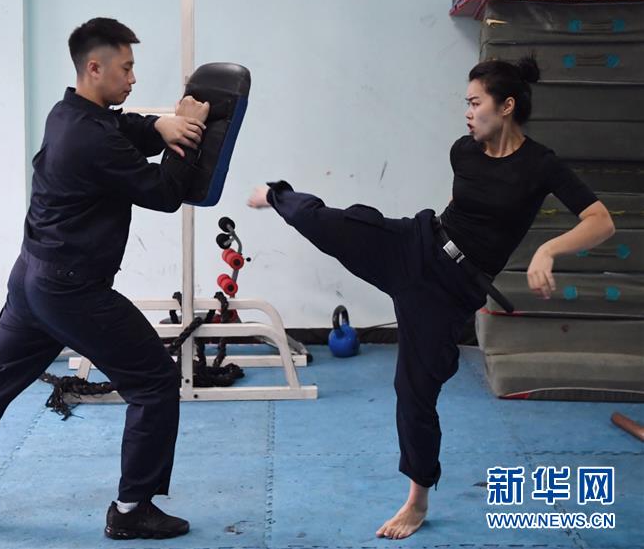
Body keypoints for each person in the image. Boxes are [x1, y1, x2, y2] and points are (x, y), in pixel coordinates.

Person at [247, 56, 615, 540]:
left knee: (415, 391)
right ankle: (277, 195)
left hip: (450, 291)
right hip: (418, 244)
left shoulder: (540, 165)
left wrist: (548, 249)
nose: (467, 112)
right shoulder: (464, 150)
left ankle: (416, 501)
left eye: (475, 103)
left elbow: (601, 221)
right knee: (335, 223)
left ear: (506, 106)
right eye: (467, 103)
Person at [0, 17, 210, 540]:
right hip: (71, 289)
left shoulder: (67, 115)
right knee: (154, 381)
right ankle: (133, 510)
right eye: (126, 68)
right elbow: (163, 193)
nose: (133, 79)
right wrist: (188, 137)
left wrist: (158, 126)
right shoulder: (91, 140)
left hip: (31, 281)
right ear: (95, 68)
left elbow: (119, 128)